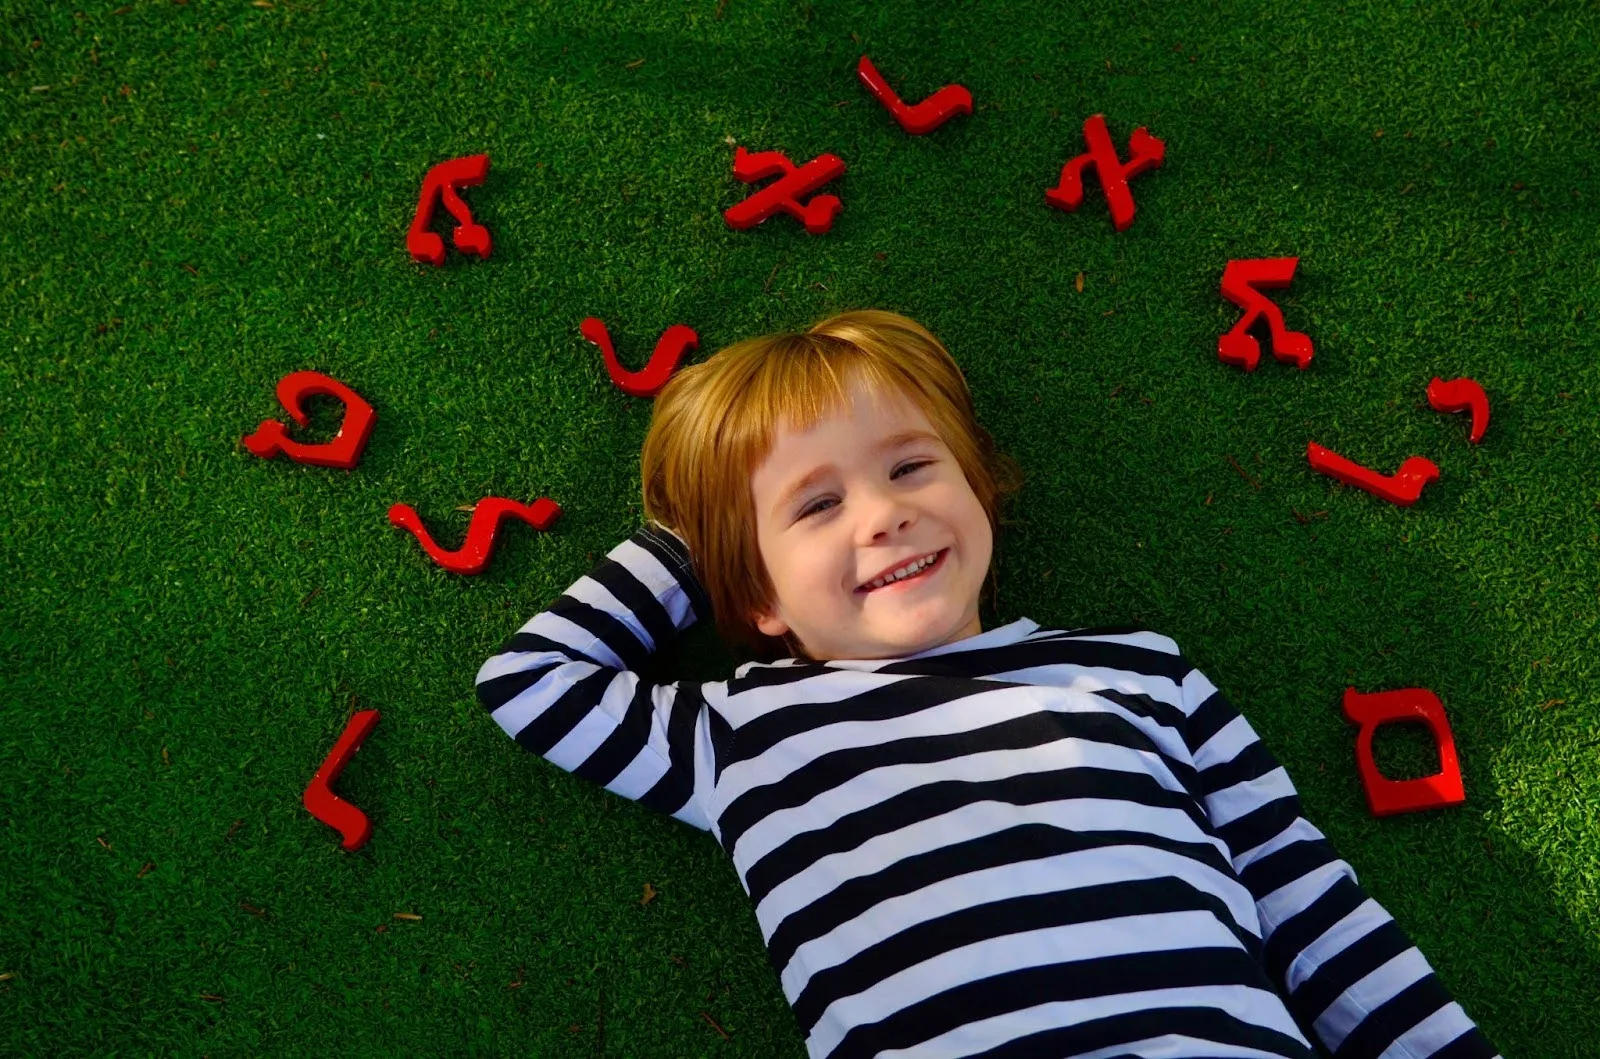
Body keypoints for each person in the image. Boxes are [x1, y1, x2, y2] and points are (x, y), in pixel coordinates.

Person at [475, 310, 1498, 1058]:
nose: (881, 514)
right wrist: (699, 533)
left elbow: (1308, 903)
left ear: (975, 488)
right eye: (816, 504)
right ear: (751, 592)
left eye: (912, 468)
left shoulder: (1139, 668)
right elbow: (531, 683)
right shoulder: (743, 730)